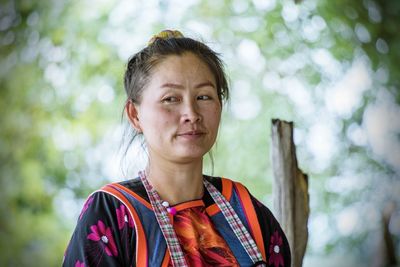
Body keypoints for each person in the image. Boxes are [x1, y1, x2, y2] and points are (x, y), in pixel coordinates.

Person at [63, 30, 291, 267]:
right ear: (135, 114)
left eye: (203, 97)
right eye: (170, 99)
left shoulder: (247, 210)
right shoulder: (113, 213)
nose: (191, 114)